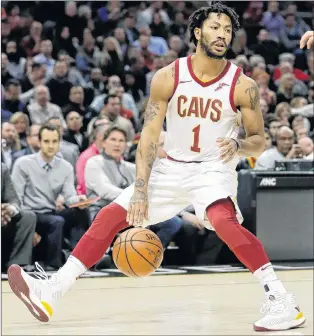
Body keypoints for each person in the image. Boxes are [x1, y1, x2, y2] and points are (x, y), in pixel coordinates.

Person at [7, 3, 305, 332]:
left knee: (223, 221)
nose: (221, 34)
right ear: (197, 32)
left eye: (227, 30)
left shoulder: (242, 84)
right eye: (214, 27)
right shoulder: (169, 76)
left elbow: (259, 141)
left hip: (212, 168)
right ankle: (51, 290)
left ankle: (282, 301)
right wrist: (140, 189)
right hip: (170, 168)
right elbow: (149, 136)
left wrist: (238, 145)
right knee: (109, 216)